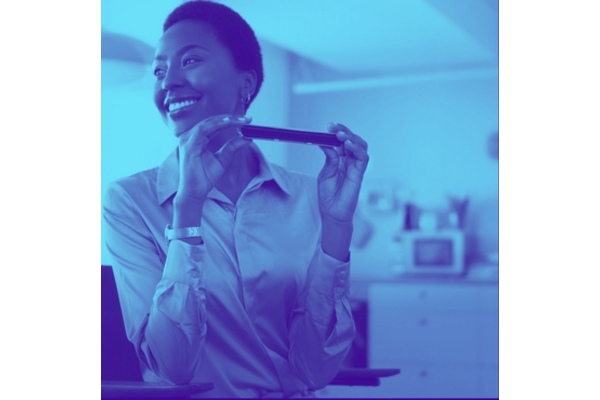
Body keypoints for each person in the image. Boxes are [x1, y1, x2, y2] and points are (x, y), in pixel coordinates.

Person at [102, 0, 370, 397]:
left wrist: (337, 227)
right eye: (159, 70)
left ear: (245, 85)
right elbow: (171, 367)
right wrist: (187, 208)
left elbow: (315, 370)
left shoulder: (308, 195)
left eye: (190, 61)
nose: (168, 81)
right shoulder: (128, 201)